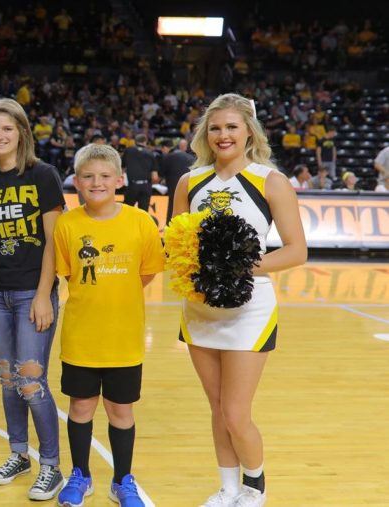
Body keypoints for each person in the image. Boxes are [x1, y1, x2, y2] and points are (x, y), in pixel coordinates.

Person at [171, 93, 307, 507]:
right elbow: (176, 243)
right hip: (199, 309)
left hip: (250, 309)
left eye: (231, 127)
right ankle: (228, 487)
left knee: (235, 411)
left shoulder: (270, 180)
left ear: (249, 131)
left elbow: (296, 250)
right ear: (205, 135)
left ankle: (254, 486)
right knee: (216, 408)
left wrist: (236, 269)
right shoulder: (189, 182)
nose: (223, 135)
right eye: (215, 128)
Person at [53, 143, 164, 507]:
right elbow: (67, 274)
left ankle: (121, 480)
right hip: (81, 336)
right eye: (88, 176)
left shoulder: (141, 222)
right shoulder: (67, 224)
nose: (96, 182)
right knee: (81, 407)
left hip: (124, 337)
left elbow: (146, 274)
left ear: (120, 180)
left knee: (121, 411)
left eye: (104, 176)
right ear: (76, 181)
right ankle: (80, 475)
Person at [0, 98, 65, 501]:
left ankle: (51, 466)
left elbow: (53, 244)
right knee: (9, 380)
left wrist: (44, 295)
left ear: (21, 133)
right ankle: (18, 454)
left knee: (31, 381)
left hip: (32, 291)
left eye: (7, 129)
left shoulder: (43, 176)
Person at [159, 138, 194, 224]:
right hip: (190, 187)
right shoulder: (191, 157)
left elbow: (160, 175)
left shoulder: (167, 157)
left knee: (172, 211)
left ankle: (169, 231)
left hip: (173, 189)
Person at [121, 133, 158, 211]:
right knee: (143, 213)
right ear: (145, 141)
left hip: (132, 186)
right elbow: (155, 177)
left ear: (135, 141)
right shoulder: (150, 153)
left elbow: (122, 169)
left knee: (126, 211)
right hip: (146, 186)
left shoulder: (128, 150)